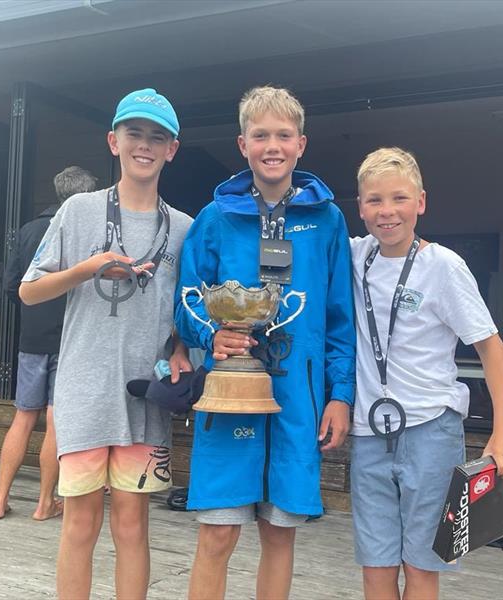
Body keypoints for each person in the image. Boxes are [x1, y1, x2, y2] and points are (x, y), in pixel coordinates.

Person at [175, 85, 355, 600]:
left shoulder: (327, 220)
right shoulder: (215, 218)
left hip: (298, 397)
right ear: (242, 144)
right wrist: (213, 333)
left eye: (283, 135)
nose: (271, 145)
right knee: (216, 535)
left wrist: (340, 394)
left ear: (301, 143)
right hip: (231, 391)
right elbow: (188, 296)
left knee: (280, 537)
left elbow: (340, 316)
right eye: (260, 136)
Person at [19, 88, 193, 600]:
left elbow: (185, 315)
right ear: (112, 141)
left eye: (156, 137)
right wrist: (88, 267)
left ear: (172, 149)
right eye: (134, 133)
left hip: (145, 397)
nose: (144, 145)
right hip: (84, 392)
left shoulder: (184, 229)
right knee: (79, 521)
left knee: (133, 523)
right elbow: (29, 291)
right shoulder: (78, 211)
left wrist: (182, 347)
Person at [349, 147, 503, 600]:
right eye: (374, 201)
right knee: (376, 565)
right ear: (360, 208)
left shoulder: (443, 266)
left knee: (422, 565)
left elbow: (491, 347)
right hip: (369, 432)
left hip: (431, 430)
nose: (387, 212)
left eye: (399, 199)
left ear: (421, 202)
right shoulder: (351, 257)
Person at [0, 166, 98, 521]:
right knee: (55, 421)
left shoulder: (27, 230)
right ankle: (44, 503)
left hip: (31, 337)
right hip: (69, 338)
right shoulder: (84, 230)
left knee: (22, 417)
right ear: (85, 194)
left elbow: (10, 286)